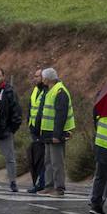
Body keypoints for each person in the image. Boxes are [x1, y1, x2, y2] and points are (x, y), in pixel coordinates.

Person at [36, 67, 72, 196]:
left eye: (43, 77)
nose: (42, 80)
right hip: (48, 133)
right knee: (49, 162)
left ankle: (59, 188)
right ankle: (49, 186)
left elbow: (60, 115)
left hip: (55, 134)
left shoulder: (60, 92)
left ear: (47, 79)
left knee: (57, 162)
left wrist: (57, 135)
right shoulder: (50, 90)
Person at [26, 69, 48, 194]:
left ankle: (41, 183)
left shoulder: (47, 91)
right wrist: (29, 121)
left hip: (42, 129)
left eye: (38, 76)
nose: (35, 78)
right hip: (34, 128)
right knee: (36, 159)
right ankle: (38, 183)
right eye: (34, 76)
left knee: (42, 160)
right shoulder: (35, 90)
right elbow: (31, 107)